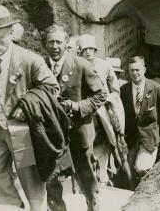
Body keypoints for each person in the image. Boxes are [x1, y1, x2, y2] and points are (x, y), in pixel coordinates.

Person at [0, 5, 59, 211]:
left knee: (31, 180)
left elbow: (52, 88)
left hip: (21, 132)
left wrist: (27, 105)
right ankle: (13, 207)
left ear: (11, 33)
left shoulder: (29, 60)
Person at [44, 25, 107, 211]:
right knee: (52, 180)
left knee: (86, 179)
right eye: (50, 42)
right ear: (45, 44)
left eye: (58, 42)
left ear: (66, 43)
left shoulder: (81, 65)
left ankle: (92, 207)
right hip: (52, 136)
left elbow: (101, 95)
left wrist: (77, 106)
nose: (55, 46)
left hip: (79, 134)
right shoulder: (39, 66)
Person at [120, 56, 160, 189]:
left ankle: (146, 189)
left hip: (149, 138)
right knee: (129, 171)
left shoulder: (155, 88)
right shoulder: (124, 90)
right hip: (131, 139)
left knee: (141, 168)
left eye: (137, 70)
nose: (135, 73)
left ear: (144, 69)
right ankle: (133, 196)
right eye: (131, 70)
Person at [78, 34, 122, 186]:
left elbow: (115, 90)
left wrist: (107, 99)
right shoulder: (76, 66)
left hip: (102, 111)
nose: (88, 52)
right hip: (83, 111)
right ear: (80, 52)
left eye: (91, 49)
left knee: (107, 140)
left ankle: (104, 175)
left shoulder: (104, 66)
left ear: (95, 50)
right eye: (84, 49)